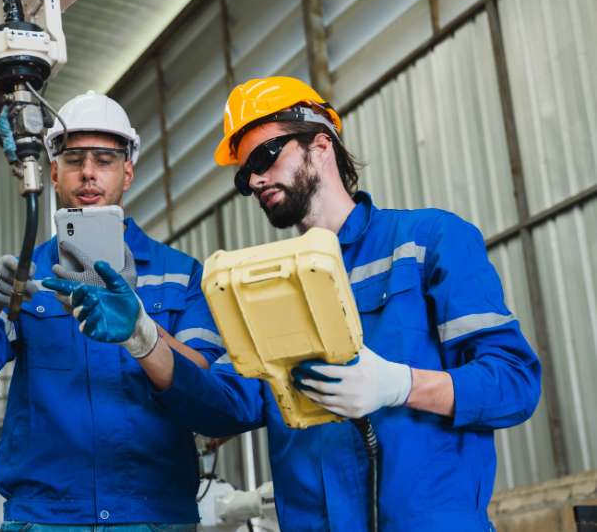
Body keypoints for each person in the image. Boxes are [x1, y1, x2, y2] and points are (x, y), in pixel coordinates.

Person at [45, 78, 542, 531]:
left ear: (320, 144)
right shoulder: (261, 286)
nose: (256, 181)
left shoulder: (426, 242)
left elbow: (514, 383)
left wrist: (400, 385)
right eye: (245, 177)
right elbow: (224, 407)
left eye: (264, 158)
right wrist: (144, 336)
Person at [0, 91, 225, 531]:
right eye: (74, 159)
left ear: (127, 172)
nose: (88, 172)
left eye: (104, 159)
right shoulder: (27, 274)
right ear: (53, 172)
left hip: (152, 516)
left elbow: (204, 383)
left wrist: (140, 326)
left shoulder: (178, 275)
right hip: (48, 518)